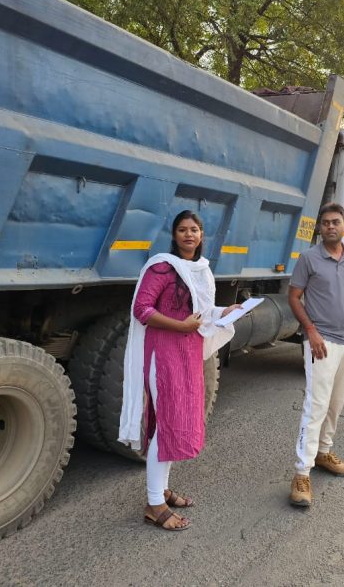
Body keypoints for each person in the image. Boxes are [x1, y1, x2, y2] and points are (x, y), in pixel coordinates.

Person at [118, 210, 240, 531]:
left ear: (202, 235)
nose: (189, 234)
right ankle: (154, 503)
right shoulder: (162, 266)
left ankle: (163, 490)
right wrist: (180, 325)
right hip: (164, 352)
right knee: (167, 423)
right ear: (174, 236)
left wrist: (224, 311)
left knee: (176, 421)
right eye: (183, 230)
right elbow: (142, 310)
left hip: (188, 353)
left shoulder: (201, 270)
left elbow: (200, 313)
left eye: (195, 229)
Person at [288, 203, 344, 508]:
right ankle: (301, 473)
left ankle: (324, 452)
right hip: (321, 343)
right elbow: (294, 297)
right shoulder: (309, 258)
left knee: (335, 404)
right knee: (316, 406)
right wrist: (310, 331)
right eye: (325, 222)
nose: (330, 226)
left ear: (343, 225)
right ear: (320, 228)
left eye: (335, 222)